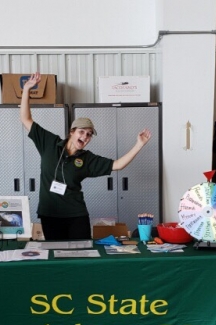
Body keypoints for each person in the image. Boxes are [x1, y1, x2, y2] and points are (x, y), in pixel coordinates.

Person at [19, 72, 152, 240]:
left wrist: (139, 145)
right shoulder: (49, 143)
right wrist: (27, 90)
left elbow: (117, 165)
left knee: (81, 255)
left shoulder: (87, 159)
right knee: (57, 255)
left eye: (89, 134)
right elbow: (25, 118)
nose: (85, 137)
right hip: (49, 214)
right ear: (72, 132)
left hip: (76, 215)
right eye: (81, 132)